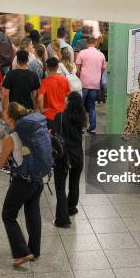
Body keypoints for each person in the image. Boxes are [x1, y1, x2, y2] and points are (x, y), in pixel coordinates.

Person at [0, 102, 45, 266]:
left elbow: (2, 163)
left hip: (23, 181)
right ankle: (34, 251)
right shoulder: (32, 131)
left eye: (5, 112)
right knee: (33, 212)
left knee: (8, 215)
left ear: (10, 118)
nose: (3, 114)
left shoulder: (11, 138)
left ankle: (22, 253)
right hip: (38, 178)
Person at [52, 92, 86, 227]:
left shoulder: (60, 116)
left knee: (60, 187)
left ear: (69, 101)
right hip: (77, 156)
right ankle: (71, 208)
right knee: (74, 182)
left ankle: (62, 220)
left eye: (67, 97)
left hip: (63, 156)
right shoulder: (82, 118)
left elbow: (54, 135)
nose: (64, 98)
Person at [75, 37, 106, 134]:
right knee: (92, 107)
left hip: (83, 83)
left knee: (81, 106)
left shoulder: (82, 53)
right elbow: (103, 68)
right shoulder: (101, 55)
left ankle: (80, 127)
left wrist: (80, 76)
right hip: (95, 84)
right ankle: (92, 128)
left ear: (87, 43)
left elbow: (78, 69)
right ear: (95, 43)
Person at [38, 57, 70, 128]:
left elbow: (40, 99)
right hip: (62, 114)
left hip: (49, 115)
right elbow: (69, 96)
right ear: (58, 66)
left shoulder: (45, 81)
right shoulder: (64, 79)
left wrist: (42, 110)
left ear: (47, 67)